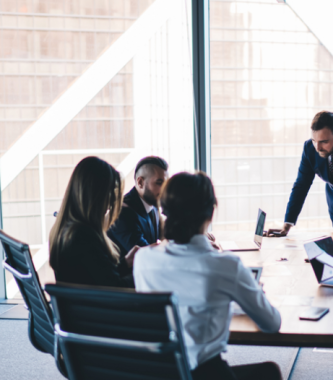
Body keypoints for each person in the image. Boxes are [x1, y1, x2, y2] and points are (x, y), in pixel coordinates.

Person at [134, 172, 282, 380]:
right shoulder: (225, 265)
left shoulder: (143, 260)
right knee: (269, 373)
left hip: (160, 372)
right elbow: (272, 323)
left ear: (165, 210)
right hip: (205, 373)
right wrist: (253, 293)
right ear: (210, 214)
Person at [49, 156, 137, 288]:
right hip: (95, 307)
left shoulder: (67, 229)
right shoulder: (83, 236)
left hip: (81, 305)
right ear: (95, 195)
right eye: (109, 193)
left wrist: (126, 263)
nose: (111, 202)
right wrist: (145, 273)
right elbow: (114, 288)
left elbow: (99, 276)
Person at [107, 156, 168, 275]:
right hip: (125, 286)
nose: (165, 190)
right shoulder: (122, 213)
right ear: (140, 182)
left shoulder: (152, 202)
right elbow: (147, 255)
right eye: (159, 183)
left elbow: (165, 235)